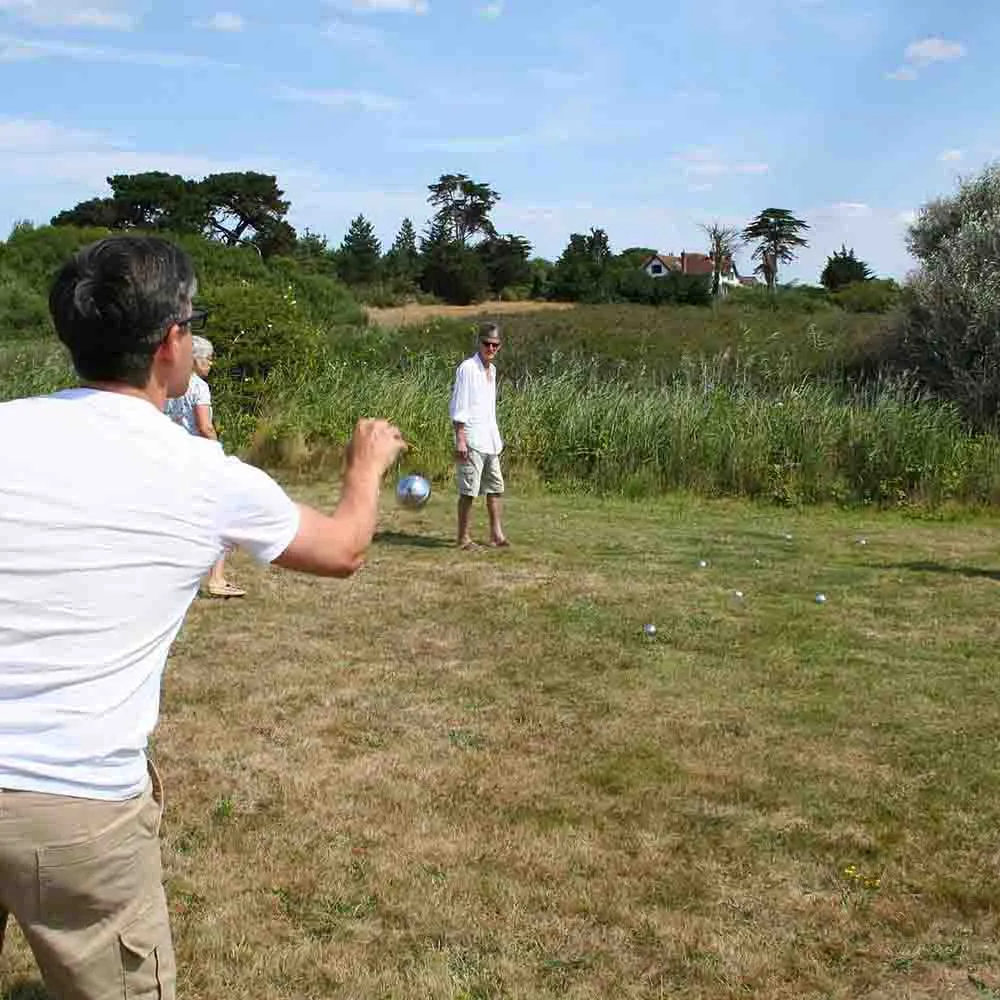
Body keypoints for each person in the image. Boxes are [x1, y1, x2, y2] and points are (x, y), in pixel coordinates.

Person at [0, 235, 405, 1000]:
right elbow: (344, 549)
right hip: (75, 807)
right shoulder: (203, 474)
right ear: (171, 342)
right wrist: (365, 466)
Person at [165, 333, 245, 598]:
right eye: (208, 359)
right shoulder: (198, 387)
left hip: (171, 457)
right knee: (219, 515)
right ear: (195, 360)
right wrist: (218, 452)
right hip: (198, 459)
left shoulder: (166, 385)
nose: (211, 364)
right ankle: (217, 578)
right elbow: (205, 425)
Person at [449, 322, 509, 550]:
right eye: (487, 344)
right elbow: (459, 404)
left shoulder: (492, 371)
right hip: (471, 438)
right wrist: (461, 438)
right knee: (469, 491)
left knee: (495, 488)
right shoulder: (467, 368)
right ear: (479, 343)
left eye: (495, 345)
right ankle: (463, 538)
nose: (491, 348)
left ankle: (496, 535)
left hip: (490, 439)